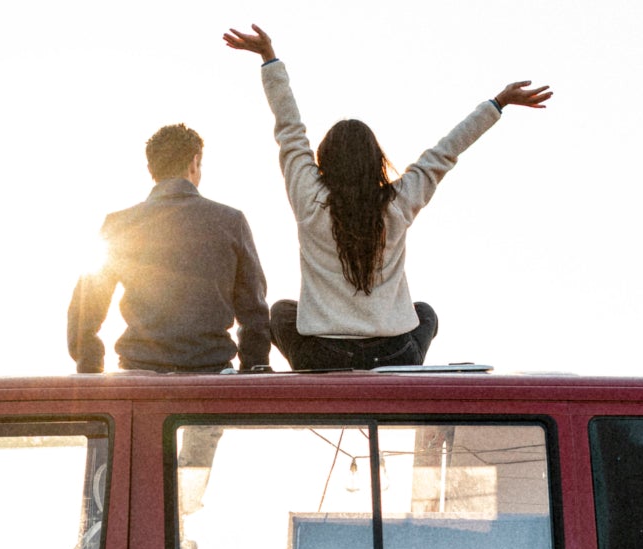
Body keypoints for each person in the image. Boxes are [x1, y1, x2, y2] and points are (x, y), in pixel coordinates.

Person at [222, 23, 551, 370]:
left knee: (282, 313)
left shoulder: (310, 200)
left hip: (323, 357)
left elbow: (290, 130)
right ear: (376, 161)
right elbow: (445, 153)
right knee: (425, 314)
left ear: (324, 161)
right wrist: (497, 103)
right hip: (394, 356)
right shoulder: (398, 202)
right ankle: (401, 370)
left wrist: (269, 58)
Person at [67, 123, 271, 375]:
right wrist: (253, 367)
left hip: (139, 374)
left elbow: (85, 308)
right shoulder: (230, 221)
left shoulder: (118, 224)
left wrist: (91, 368)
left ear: (151, 168)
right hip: (211, 375)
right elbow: (254, 311)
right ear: (194, 163)